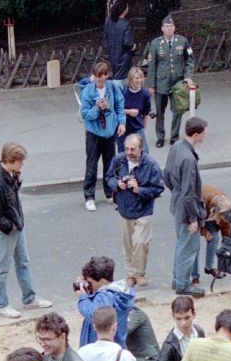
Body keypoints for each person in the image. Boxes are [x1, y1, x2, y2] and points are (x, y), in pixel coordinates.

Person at [0, 142, 52, 318]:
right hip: (8, 229)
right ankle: (1, 304)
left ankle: (29, 298)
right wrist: (11, 226)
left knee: (22, 261)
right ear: (12, 160)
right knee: (2, 267)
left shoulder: (8, 174)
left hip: (16, 225)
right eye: (20, 161)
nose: (22, 164)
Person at [105, 134, 165, 288]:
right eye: (126, 149)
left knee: (140, 242)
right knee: (128, 246)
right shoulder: (119, 160)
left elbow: (159, 189)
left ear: (141, 149)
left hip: (144, 210)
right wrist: (118, 184)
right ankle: (131, 275)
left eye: (133, 149)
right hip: (125, 210)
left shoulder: (151, 164)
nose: (129, 152)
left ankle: (139, 273)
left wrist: (140, 189)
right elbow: (109, 177)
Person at [163, 116, 210, 298]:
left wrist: (175, 192)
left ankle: (178, 278)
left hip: (177, 202)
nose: (204, 136)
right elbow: (190, 192)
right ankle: (183, 284)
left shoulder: (177, 147)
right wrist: (193, 218)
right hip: (186, 208)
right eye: (203, 133)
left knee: (181, 244)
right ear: (196, 134)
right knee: (188, 247)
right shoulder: (189, 159)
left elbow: (167, 174)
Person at [79, 60, 126, 212]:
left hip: (109, 132)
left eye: (103, 76)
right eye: (98, 76)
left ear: (107, 76)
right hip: (94, 133)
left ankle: (109, 193)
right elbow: (85, 115)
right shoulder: (88, 91)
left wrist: (121, 123)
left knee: (110, 164)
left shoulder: (113, 87)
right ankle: (89, 197)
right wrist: (97, 109)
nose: (101, 79)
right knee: (91, 165)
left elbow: (120, 106)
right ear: (94, 76)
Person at [143, 14, 196, 149]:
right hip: (161, 83)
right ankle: (160, 137)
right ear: (162, 28)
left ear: (174, 28)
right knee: (160, 111)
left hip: (177, 83)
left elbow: (190, 60)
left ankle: (174, 136)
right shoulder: (155, 44)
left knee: (178, 110)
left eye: (171, 26)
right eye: (166, 26)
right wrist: (151, 85)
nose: (169, 29)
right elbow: (152, 65)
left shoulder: (182, 41)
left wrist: (188, 76)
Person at [119, 65, 152, 154]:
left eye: (141, 78)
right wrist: (128, 112)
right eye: (136, 78)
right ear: (131, 79)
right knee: (123, 154)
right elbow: (117, 109)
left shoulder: (145, 94)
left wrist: (144, 128)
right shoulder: (124, 92)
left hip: (138, 127)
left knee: (145, 152)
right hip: (124, 127)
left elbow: (146, 113)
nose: (139, 80)